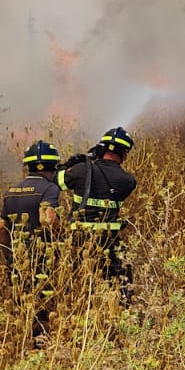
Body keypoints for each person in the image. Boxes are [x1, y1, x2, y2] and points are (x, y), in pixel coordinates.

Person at [56, 126, 139, 306]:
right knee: (121, 282)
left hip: (79, 240)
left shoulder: (80, 171)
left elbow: (57, 181)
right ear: (124, 153)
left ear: (101, 148)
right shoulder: (128, 181)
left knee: (75, 280)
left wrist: (73, 163)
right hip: (110, 240)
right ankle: (122, 315)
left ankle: (75, 312)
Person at [0, 140, 63, 344]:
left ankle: (19, 340)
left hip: (18, 256)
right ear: (53, 167)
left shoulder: (12, 191)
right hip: (43, 257)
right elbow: (48, 218)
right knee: (43, 301)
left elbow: (0, 229)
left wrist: (8, 255)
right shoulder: (50, 188)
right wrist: (62, 236)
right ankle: (40, 342)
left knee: (21, 300)